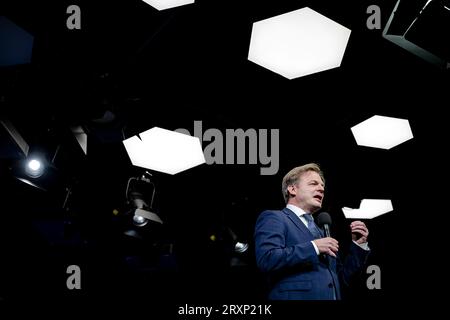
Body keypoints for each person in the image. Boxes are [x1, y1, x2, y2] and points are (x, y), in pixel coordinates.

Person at [254, 163, 370, 300]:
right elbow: (267, 259)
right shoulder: (275, 217)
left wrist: (358, 245)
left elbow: (341, 279)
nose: (321, 189)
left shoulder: (321, 232)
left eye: (322, 186)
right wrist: (314, 247)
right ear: (292, 189)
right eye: (313, 183)